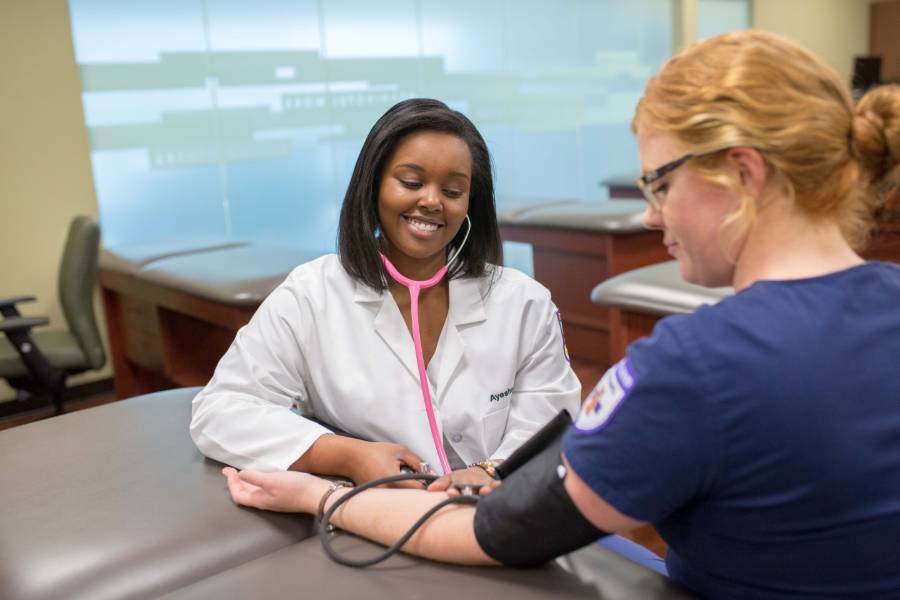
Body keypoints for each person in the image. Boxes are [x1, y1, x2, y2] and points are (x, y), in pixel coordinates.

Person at [221, 31, 900, 599]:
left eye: (660, 182)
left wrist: (318, 497)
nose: (649, 213)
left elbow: (505, 530)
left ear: (744, 174)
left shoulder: (694, 366)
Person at [191, 98, 580, 490]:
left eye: (452, 189)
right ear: (373, 185)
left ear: (470, 203)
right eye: (411, 182)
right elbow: (220, 411)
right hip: (381, 514)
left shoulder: (524, 302)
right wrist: (348, 455)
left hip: (500, 505)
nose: (431, 200)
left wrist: (490, 470)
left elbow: (553, 416)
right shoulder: (311, 296)